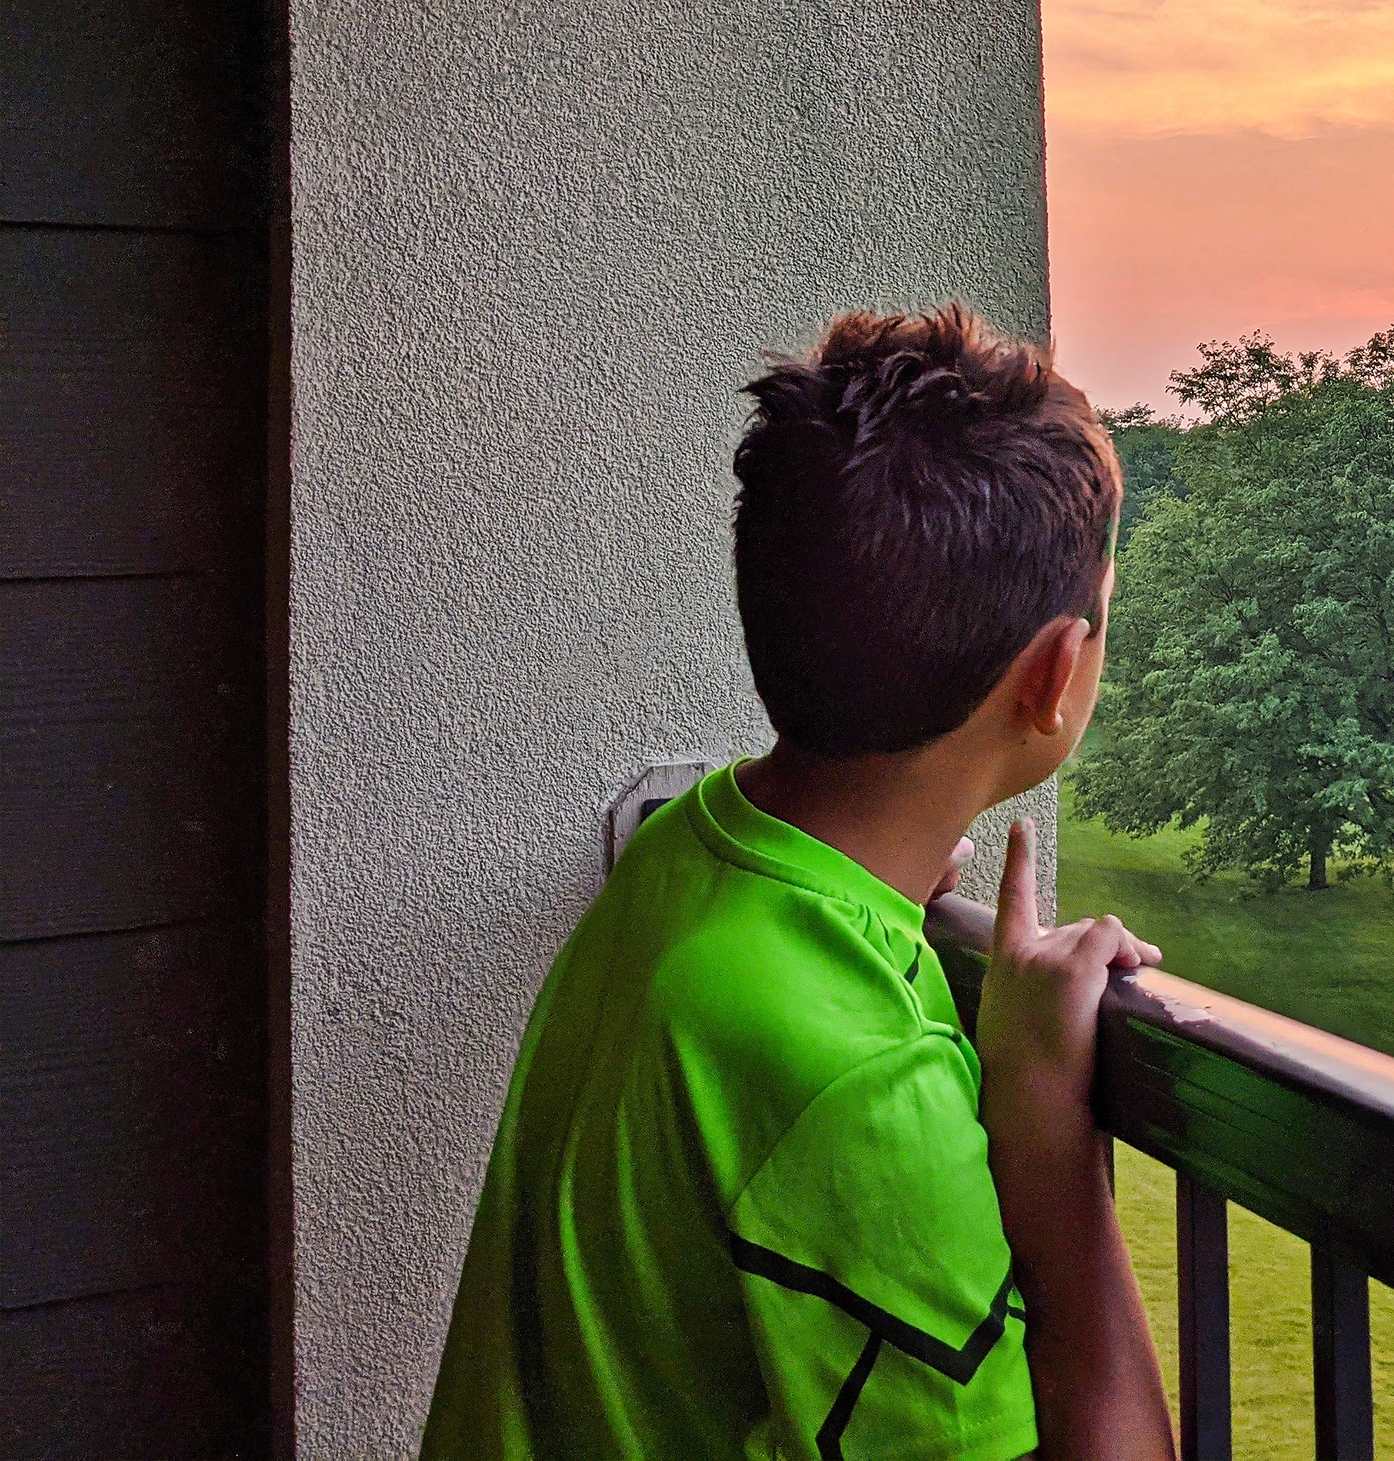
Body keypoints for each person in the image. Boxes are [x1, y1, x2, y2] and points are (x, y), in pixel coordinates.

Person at [423, 306, 1175, 1460]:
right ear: (1056, 676)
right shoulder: (861, 1087)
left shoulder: (694, 850)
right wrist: (1043, 1134)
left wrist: (901, 913)